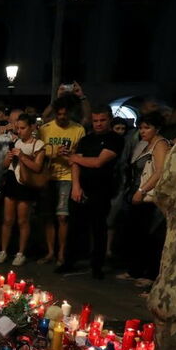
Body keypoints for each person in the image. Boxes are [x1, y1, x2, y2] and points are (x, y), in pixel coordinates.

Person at [59, 105, 124, 279]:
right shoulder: (86, 139)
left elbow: (98, 162)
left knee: (98, 228)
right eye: (95, 121)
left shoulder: (115, 139)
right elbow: (76, 164)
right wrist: (76, 186)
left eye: (102, 120)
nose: (98, 124)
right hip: (82, 187)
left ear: (109, 119)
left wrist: (73, 157)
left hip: (101, 190)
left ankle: (97, 266)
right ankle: (69, 261)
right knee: (74, 227)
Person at [118, 112, 170, 289]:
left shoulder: (160, 144)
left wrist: (142, 190)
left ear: (157, 128)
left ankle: (150, 273)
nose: (142, 131)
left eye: (147, 128)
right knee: (137, 235)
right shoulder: (145, 145)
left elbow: (160, 171)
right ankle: (136, 270)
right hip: (138, 196)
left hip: (150, 198)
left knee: (151, 236)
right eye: (140, 128)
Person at [38, 97, 86, 265]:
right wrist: (54, 152)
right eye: (59, 114)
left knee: (63, 217)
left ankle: (62, 253)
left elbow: (80, 156)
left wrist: (69, 155)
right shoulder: (46, 129)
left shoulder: (78, 129)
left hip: (67, 176)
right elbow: (39, 152)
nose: (62, 117)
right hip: (48, 176)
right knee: (49, 217)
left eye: (65, 114)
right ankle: (50, 252)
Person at [0, 113, 46, 267]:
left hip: (26, 184)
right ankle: (3, 250)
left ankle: (21, 253)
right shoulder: (15, 142)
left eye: (23, 128)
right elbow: (5, 166)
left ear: (32, 127)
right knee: (7, 219)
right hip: (12, 181)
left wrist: (23, 156)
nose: (19, 131)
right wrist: (8, 159)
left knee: (23, 220)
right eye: (17, 128)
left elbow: (38, 168)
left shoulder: (38, 145)